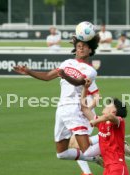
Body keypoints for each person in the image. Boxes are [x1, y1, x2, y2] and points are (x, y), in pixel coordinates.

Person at [13, 34, 103, 167]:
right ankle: (96, 159)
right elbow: (48, 76)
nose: (81, 48)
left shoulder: (90, 70)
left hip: (75, 109)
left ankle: (116, 144)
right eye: (78, 46)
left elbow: (79, 82)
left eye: (84, 46)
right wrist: (28, 71)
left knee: (87, 150)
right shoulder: (66, 63)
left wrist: (65, 75)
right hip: (61, 109)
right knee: (62, 153)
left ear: (90, 50)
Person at [80, 80, 130, 175]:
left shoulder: (119, 122)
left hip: (118, 170)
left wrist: (96, 121)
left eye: (110, 104)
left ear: (114, 111)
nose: (106, 105)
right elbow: (84, 109)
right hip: (107, 171)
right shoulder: (102, 123)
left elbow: (109, 117)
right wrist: (85, 89)